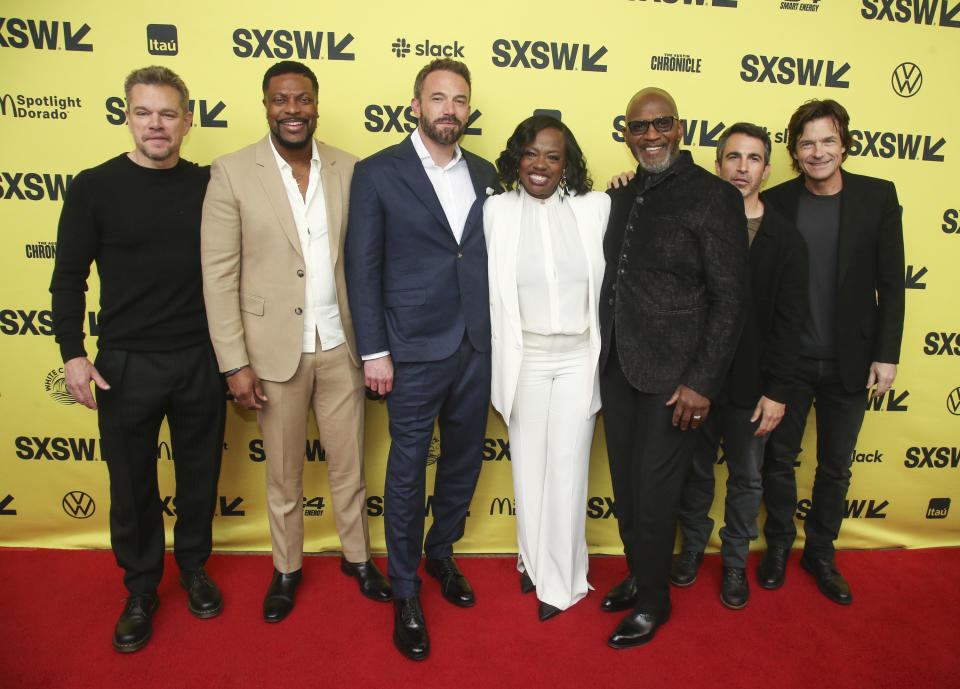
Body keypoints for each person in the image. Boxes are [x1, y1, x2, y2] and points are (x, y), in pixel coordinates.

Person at [200, 60, 390, 624]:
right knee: (282, 473)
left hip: (341, 345)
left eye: (302, 99)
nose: (292, 110)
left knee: (349, 466)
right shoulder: (232, 171)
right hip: (270, 352)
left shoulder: (350, 168)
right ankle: (287, 568)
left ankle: (357, 558)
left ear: (315, 104)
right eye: (281, 100)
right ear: (266, 106)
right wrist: (234, 362)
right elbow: (219, 276)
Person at [49, 66, 226, 653]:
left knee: (200, 474)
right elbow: (68, 279)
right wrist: (73, 355)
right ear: (127, 116)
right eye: (144, 112)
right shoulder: (93, 187)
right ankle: (142, 588)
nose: (157, 124)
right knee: (131, 485)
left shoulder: (211, 185)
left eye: (168, 113)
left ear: (188, 121)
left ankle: (195, 568)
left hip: (201, 356)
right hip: (124, 363)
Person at [344, 58, 499, 661]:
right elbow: (363, 267)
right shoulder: (378, 172)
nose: (449, 110)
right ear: (416, 106)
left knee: (462, 461)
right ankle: (405, 588)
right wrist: (375, 350)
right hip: (408, 350)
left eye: (459, 100)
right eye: (438, 99)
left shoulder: (487, 173)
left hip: (475, 345)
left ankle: (442, 554)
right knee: (407, 469)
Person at [598, 87, 748, 648]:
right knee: (626, 487)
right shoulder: (623, 192)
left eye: (661, 125)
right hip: (616, 366)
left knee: (657, 493)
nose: (651, 135)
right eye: (639, 127)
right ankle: (640, 576)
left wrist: (701, 382)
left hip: (675, 379)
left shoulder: (714, 197)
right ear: (627, 134)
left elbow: (731, 298)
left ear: (680, 129)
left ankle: (655, 603)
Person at [756, 99, 904, 605]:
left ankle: (821, 551)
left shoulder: (877, 197)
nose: (818, 151)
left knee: (836, 467)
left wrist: (887, 354)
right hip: (788, 364)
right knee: (779, 461)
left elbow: (892, 283)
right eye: (807, 142)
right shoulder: (776, 202)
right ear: (795, 151)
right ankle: (777, 546)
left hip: (851, 360)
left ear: (843, 144)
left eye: (827, 140)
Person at [669, 123, 808, 610]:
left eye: (753, 159)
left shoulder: (786, 239)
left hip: (754, 386)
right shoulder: (694, 224)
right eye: (733, 157)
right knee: (696, 472)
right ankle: (690, 552)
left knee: (748, 479)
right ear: (717, 165)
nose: (742, 167)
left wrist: (778, 391)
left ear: (767, 170)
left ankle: (732, 563)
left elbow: (792, 325)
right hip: (699, 381)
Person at [484, 116, 609, 621]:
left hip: (579, 357)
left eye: (553, 156)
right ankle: (533, 563)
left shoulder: (595, 208)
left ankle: (563, 582)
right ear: (517, 156)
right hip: (524, 357)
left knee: (568, 471)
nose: (540, 165)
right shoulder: (496, 210)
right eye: (531, 153)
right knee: (528, 471)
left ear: (568, 164)